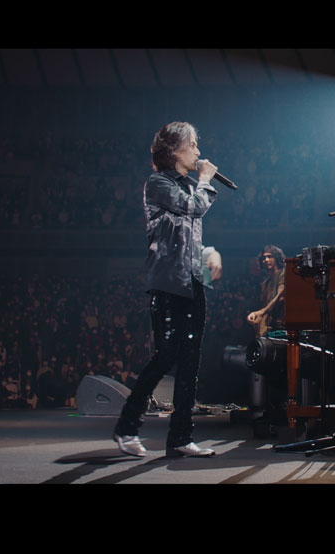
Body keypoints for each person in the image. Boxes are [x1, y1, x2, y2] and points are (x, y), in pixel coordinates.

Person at [112, 121, 223, 458]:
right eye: (193, 144)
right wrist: (206, 180)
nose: (198, 151)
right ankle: (127, 427)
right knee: (166, 356)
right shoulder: (159, 183)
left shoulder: (189, 185)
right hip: (168, 284)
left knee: (190, 363)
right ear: (174, 150)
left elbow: (187, 239)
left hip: (192, 281)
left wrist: (209, 252)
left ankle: (180, 437)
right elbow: (193, 208)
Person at [247, 245, 286, 337]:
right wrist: (255, 314)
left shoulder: (284, 274)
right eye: (264, 258)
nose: (266, 260)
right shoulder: (266, 283)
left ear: (276, 258)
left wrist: (261, 312)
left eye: (270, 256)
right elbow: (266, 305)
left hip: (283, 324)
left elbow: (280, 296)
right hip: (271, 325)